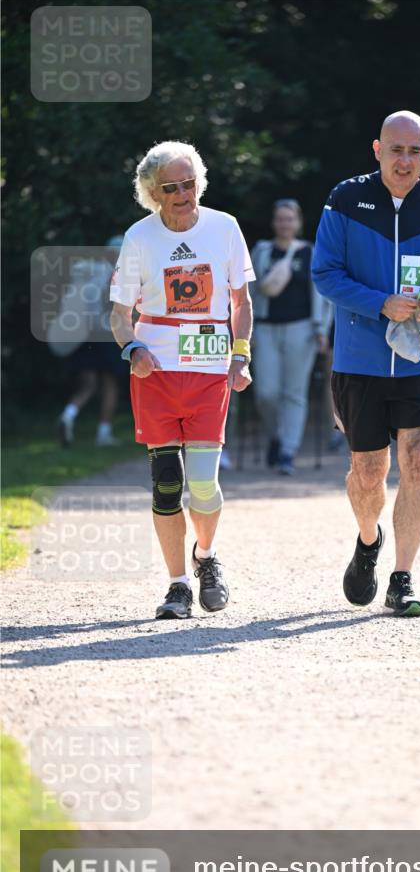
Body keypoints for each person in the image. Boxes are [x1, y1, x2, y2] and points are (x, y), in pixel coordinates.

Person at [312, 111, 420, 617]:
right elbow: (325, 273)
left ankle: (402, 577)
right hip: (358, 360)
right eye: (396, 149)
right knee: (368, 471)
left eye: (415, 150)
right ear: (377, 150)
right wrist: (378, 303)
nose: (404, 159)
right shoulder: (346, 199)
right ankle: (369, 541)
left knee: (417, 458)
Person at [109, 141, 254, 619]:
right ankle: (176, 586)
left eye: (188, 184)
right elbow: (119, 314)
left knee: (204, 486)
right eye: (170, 187)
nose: (182, 194)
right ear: (153, 192)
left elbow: (241, 303)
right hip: (156, 373)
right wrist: (133, 348)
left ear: (200, 183)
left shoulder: (225, 227)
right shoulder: (139, 237)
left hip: (210, 369)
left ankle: (206, 558)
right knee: (167, 484)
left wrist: (241, 355)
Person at [250, 199, 330, 475]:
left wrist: (321, 330)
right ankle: (275, 435)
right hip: (264, 328)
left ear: (298, 222)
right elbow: (246, 291)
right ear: (274, 222)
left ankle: (287, 451)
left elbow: (323, 296)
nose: (285, 224)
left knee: (294, 393)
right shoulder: (261, 251)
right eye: (280, 219)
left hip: (302, 329)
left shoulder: (310, 253)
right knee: (266, 393)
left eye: (290, 219)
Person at [57, 236, 125, 447]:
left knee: (88, 384)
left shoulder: (88, 273)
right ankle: (103, 433)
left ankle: (68, 415)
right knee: (110, 384)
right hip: (107, 335)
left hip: (85, 335)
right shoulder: (117, 276)